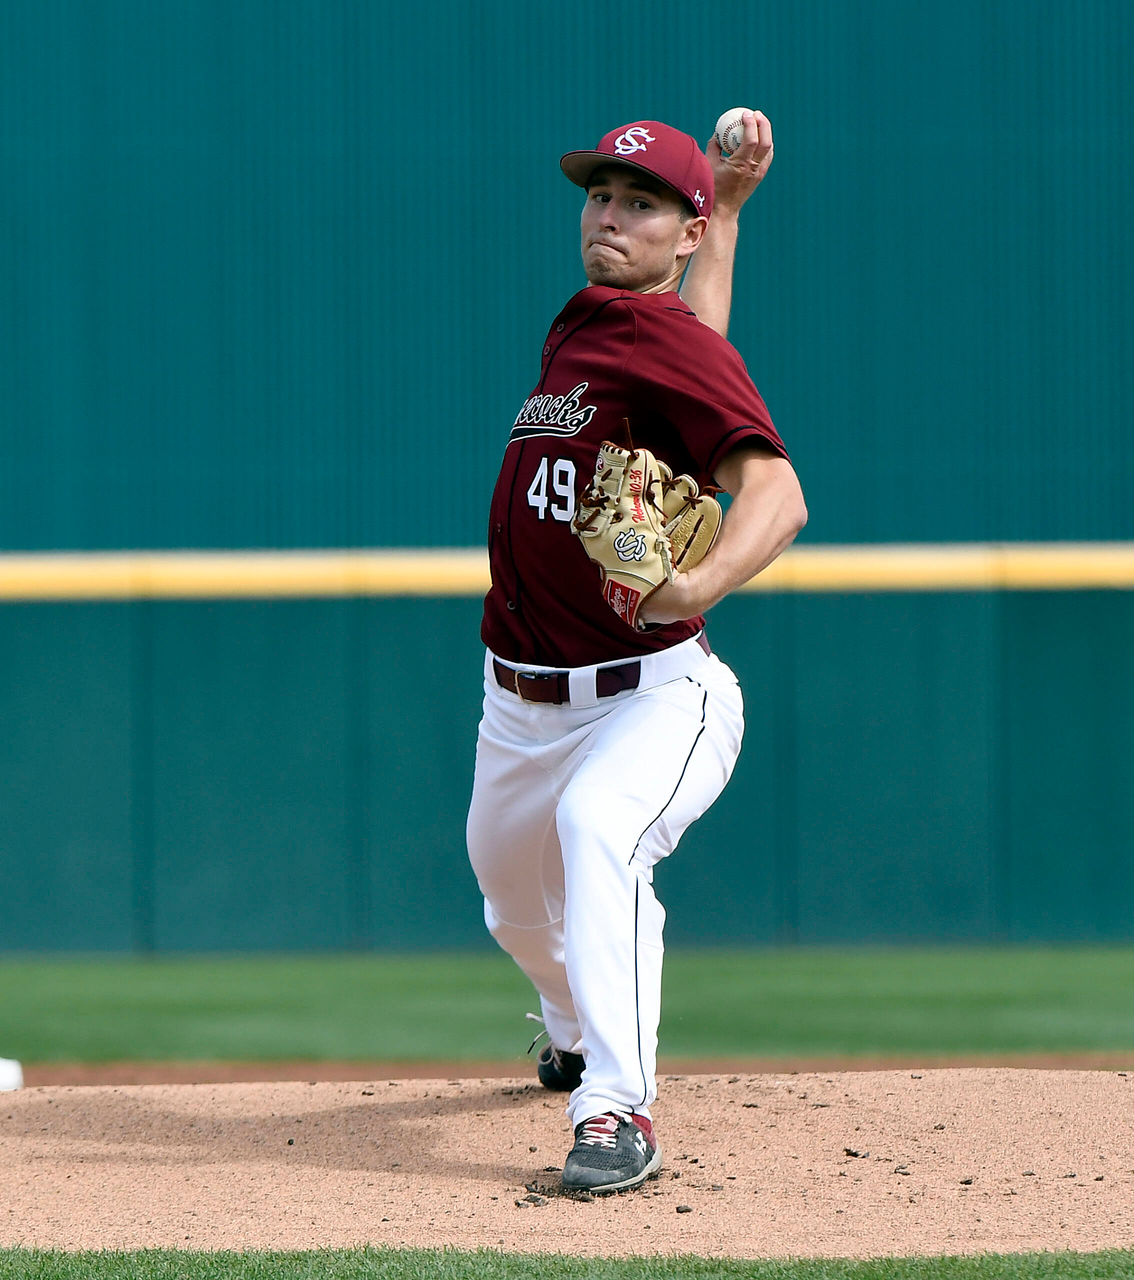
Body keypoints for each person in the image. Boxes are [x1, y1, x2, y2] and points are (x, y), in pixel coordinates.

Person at [466, 114, 807, 1193]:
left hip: (654, 693)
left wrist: (696, 587)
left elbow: (779, 495)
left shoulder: (640, 332)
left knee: (599, 830)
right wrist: (732, 221)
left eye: (641, 203)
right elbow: (693, 345)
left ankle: (615, 1104)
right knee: (513, 906)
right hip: (519, 701)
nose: (610, 215)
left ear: (682, 230)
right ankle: (571, 1026)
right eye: (602, 196)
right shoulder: (596, 323)